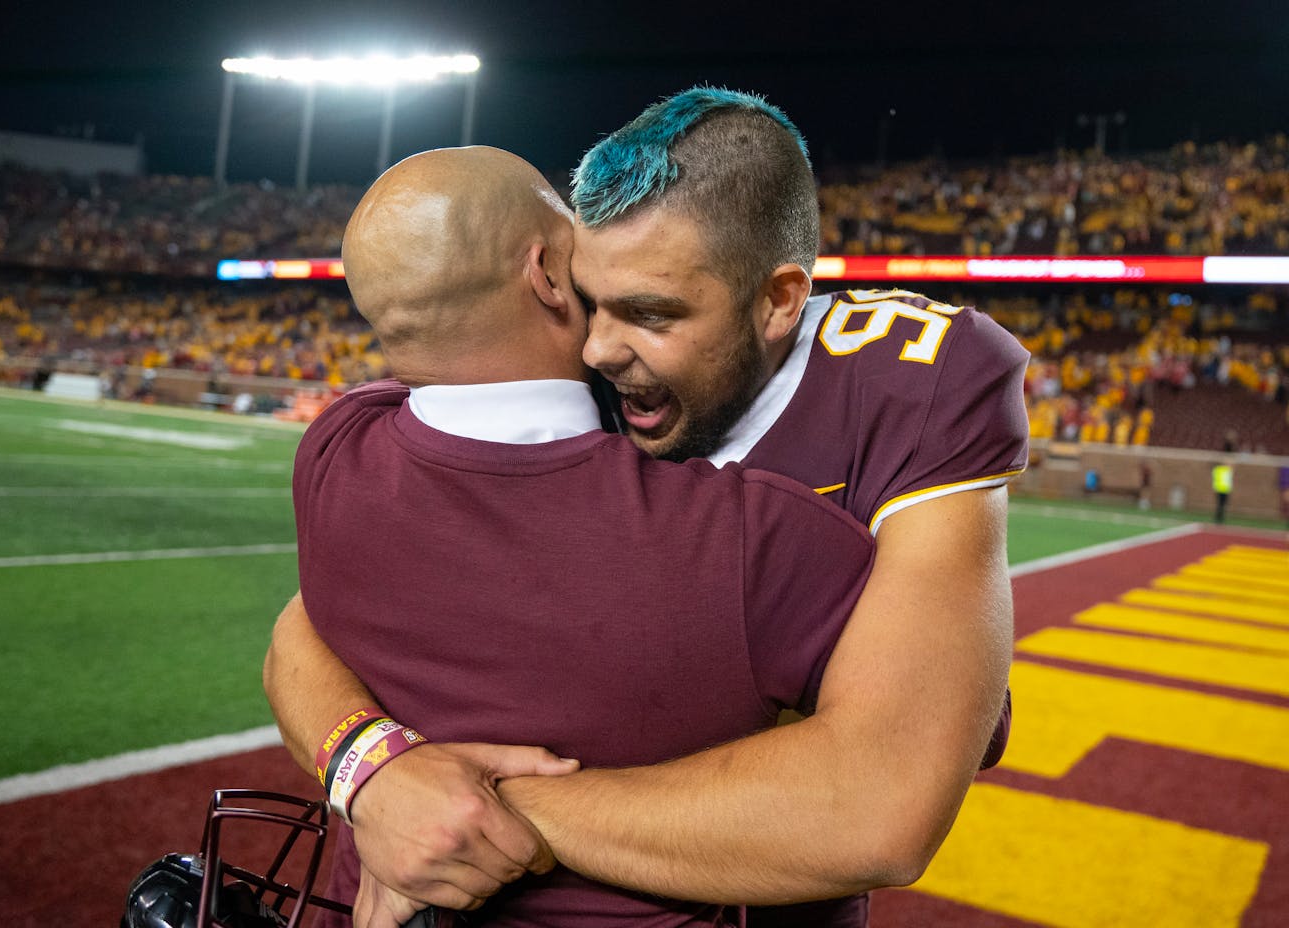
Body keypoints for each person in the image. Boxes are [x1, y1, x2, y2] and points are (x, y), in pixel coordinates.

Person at [266, 87, 1029, 928]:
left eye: (650, 314)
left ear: (779, 300)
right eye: (592, 300)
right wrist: (373, 770)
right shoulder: (551, 359)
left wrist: (472, 813)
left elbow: (883, 796)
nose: (597, 347)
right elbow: (316, 619)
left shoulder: (912, 382)